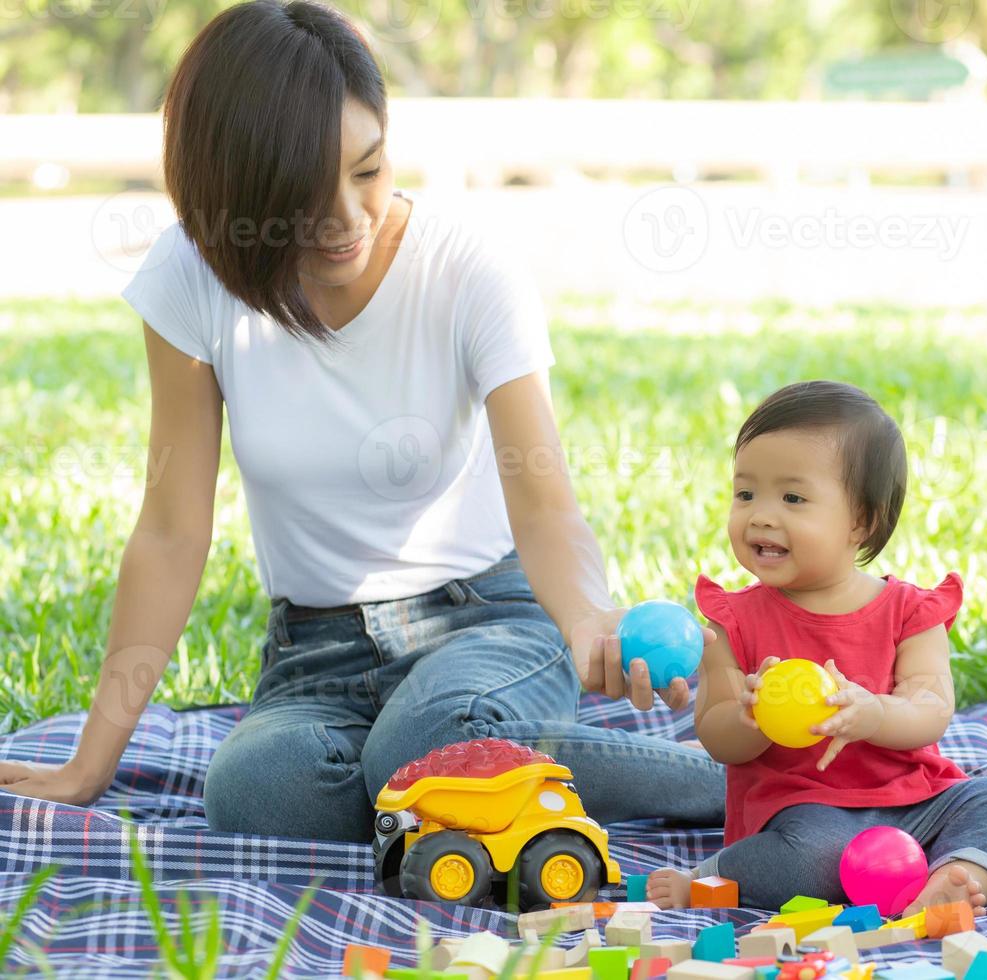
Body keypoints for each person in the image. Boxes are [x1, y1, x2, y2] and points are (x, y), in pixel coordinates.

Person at [0, 0, 723, 842]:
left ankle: (714, 784)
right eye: (306, 195)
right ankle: (466, 778)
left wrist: (589, 620)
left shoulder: (466, 267)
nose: (348, 217)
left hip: (484, 621)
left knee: (425, 743)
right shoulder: (191, 276)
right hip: (314, 658)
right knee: (255, 792)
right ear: (239, 191)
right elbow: (169, 531)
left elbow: (544, 500)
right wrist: (92, 763)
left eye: (369, 169)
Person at [647, 381, 987, 912]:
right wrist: (750, 717)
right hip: (806, 814)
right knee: (812, 859)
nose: (760, 514)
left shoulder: (911, 612)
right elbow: (717, 738)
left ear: (863, 521)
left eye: (792, 497)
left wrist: (874, 713)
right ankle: (713, 879)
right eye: (745, 494)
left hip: (916, 801)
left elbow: (931, 708)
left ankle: (958, 877)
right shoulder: (730, 621)